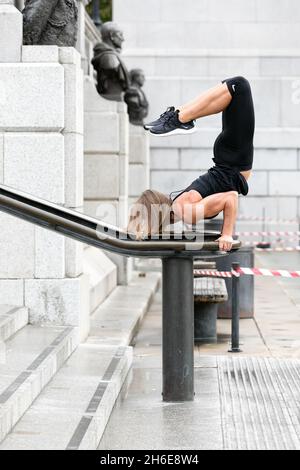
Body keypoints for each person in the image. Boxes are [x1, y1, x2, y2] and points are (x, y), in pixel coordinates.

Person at [128, 76, 255, 252]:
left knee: (238, 87)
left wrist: (226, 234)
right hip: (228, 158)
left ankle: (180, 118)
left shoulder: (184, 212)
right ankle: (179, 117)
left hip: (233, 158)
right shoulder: (179, 205)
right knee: (232, 89)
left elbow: (230, 197)